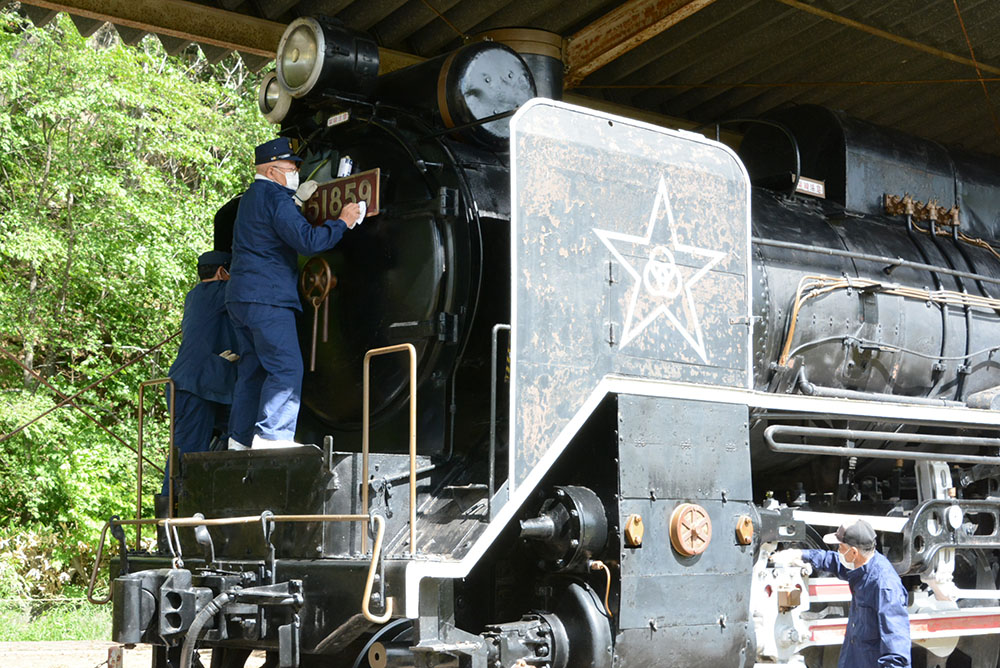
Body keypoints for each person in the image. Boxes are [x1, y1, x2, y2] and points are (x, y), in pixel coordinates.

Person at [226, 137, 361, 449]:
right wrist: (343, 222)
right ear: (273, 171)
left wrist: (297, 204)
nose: (296, 172)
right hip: (268, 298)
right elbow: (308, 242)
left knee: (253, 371)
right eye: (292, 167)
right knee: (286, 367)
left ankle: (239, 440)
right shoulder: (274, 198)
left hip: (239, 299)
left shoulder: (250, 198)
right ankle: (273, 437)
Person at [772, 519, 911, 668]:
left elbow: (896, 647)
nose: (838, 550)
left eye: (840, 547)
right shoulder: (861, 565)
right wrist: (799, 554)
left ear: (853, 552)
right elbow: (832, 561)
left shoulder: (885, 587)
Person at [162, 250, 238, 497]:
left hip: (202, 385)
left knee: (234, 433)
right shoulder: (216, 293)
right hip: (194, 386)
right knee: (185, 456)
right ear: (221, 272)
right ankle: (169, 520)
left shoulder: (194, 296)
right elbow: (250, 288)